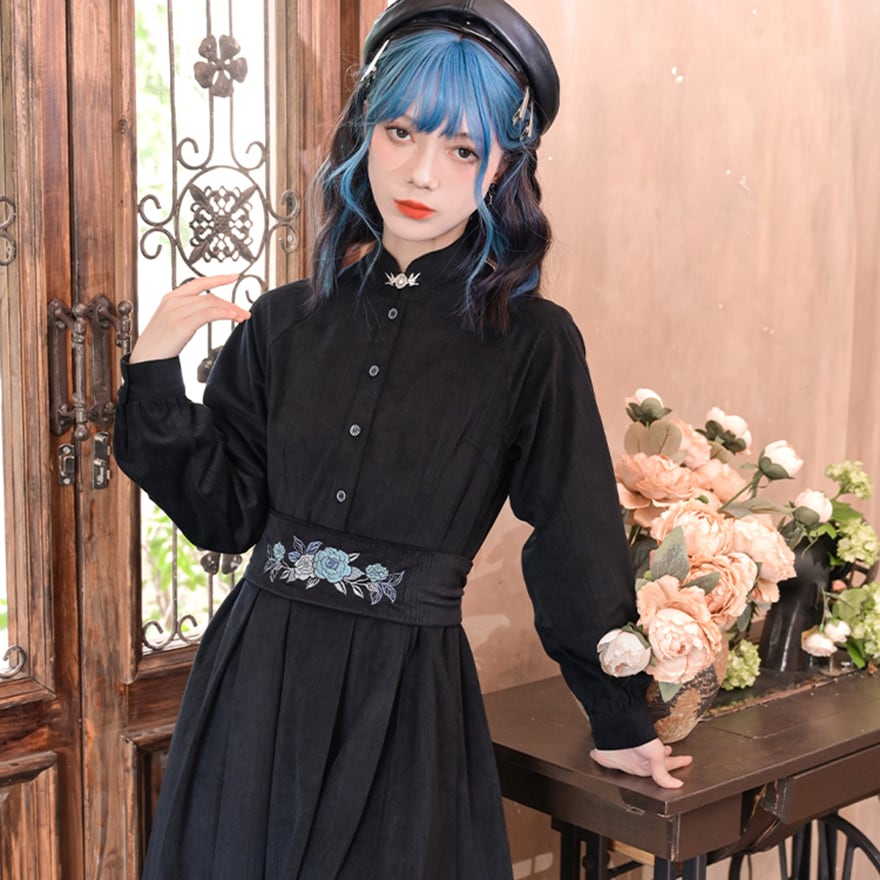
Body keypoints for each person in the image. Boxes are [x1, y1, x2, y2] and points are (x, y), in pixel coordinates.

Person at [114, 1, 691, 877]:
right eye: (400, 132)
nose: (422, 171)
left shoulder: (531, 345)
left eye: (462, 149)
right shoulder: (285, 323)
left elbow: (574, 533)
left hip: (402, 697)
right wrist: (154, 370)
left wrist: (618, 718)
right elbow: (225, 514)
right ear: (365, 136)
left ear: (504, 166)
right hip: (255, 685)